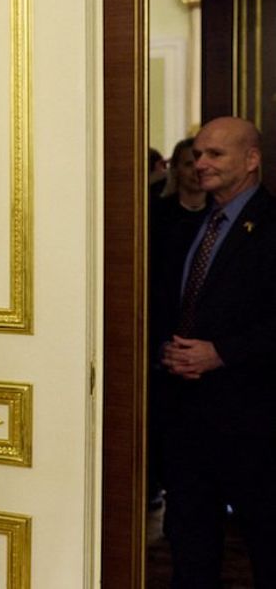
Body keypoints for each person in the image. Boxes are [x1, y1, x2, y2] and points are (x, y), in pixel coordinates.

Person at [150, 117, 276, 587]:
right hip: (184, 420)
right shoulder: (186, 227)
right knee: (190, 546)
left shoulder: (269, 225)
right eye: (198, 154)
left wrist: (222, 353)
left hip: (252, 422)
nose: (200, 163)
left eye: (215, 154)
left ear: (251, 160)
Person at [147, 136, 208, 513]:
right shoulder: (157, 214)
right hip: (163, 337)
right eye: (189, 162)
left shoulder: (219, 217)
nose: (198, 170)